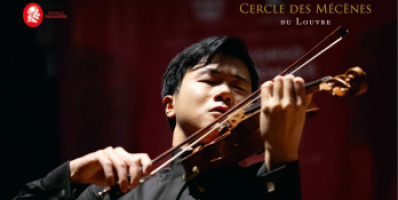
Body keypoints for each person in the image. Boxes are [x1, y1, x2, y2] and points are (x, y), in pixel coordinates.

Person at [14, 36, 310, 200]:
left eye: (238, 86)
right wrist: (73, 173)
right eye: (210, 80)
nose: (226, 93)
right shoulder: (118, 191)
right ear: (170, 105)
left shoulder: (260, 187)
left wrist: (281, 156)